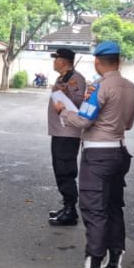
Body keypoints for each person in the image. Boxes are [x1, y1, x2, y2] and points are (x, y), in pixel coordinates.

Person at [55, 40, 134, 268]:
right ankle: (114, 264)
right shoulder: (132, 88)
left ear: (97, 61)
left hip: (98, 155)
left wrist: (63, 111)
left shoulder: (99, 87)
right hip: (119, 152)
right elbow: (129, 124)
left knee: (94, 210)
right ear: (119, 61)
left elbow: (84, 121)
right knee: (114, 208)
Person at [46, 47, 87, 227]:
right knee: (59, 168)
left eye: (56, 59)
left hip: (68, 132)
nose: (54, 61)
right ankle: (67, 206)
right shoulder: (63, 77)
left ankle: (71, 212)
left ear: (63, 61)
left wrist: (64, 93)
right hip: (59, 131)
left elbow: (77, 102)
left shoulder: (75, 78)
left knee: (65, 170)